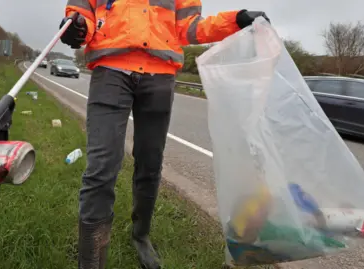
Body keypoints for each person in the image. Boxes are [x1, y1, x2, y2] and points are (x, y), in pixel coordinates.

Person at [59, 1, 269, 268]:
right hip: (110, 72)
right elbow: (84, 15)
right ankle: (91, 261)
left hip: (160, 77)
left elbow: (190, 28)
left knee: (150, 164)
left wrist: (236, 20)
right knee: (101, 167)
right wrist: (77, 26)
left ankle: (141, 236)